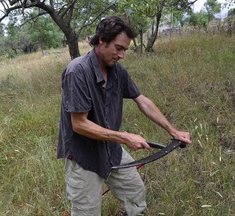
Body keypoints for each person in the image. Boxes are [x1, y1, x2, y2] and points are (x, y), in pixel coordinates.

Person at [57, 16, 191, 216]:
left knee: (136, 194)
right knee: (87, 212)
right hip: (83, 156)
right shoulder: (77, 72)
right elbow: (79, 124)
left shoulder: (117, 71)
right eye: (118, 48)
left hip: (111, 150)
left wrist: (173, 130)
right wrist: (125, 137)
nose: (122, 55)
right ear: (101, 40)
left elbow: (142, 100)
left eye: (125, 49)